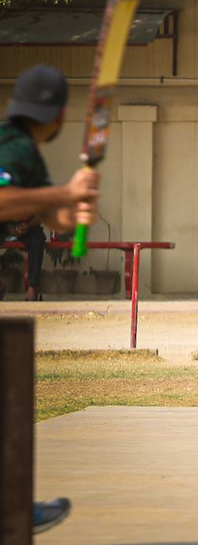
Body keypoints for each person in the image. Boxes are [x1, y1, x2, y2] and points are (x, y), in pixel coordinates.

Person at [0, 64, 101, 533]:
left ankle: (12, 506)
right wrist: (65, 191)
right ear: (60, 115)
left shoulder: (26, 152)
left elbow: (47, 213)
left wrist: (74, 209)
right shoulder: (12, 146)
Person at [2, 218, 47, 300]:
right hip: (4, 227)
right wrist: (8, 229)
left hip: (30, 229)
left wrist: (28, 226)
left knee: (37, 240)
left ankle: (33, 289)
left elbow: (41, 216)